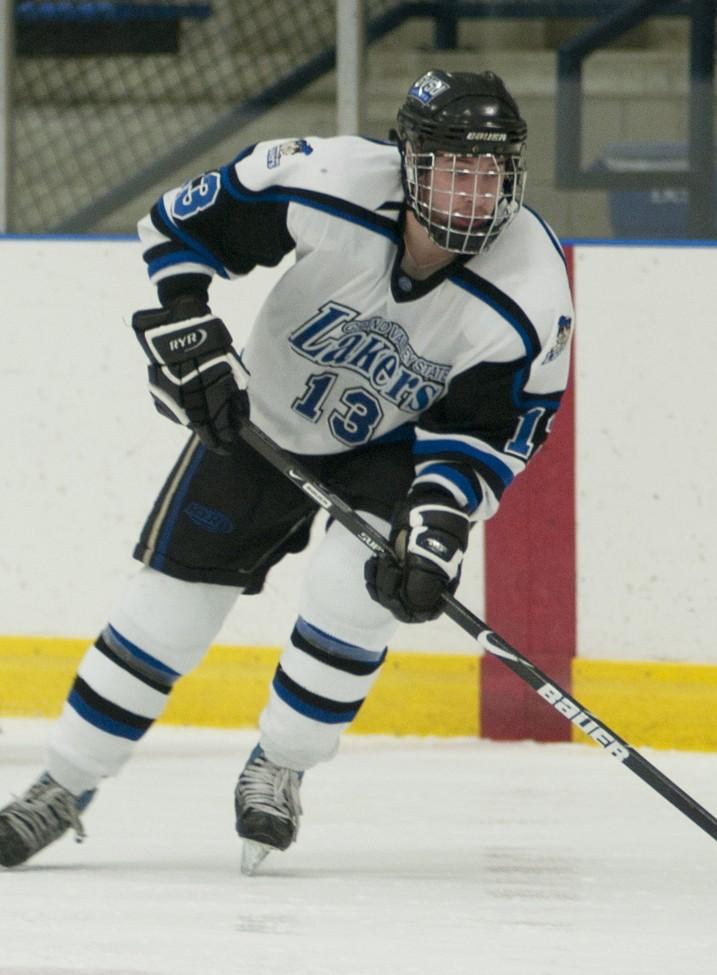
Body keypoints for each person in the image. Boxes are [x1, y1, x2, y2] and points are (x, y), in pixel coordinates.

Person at [0, 68, 573, 874]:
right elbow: (181, 227)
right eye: (454, 167)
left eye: (491, 173)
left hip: (393, 452)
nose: (474, 193)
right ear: (410, 161)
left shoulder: (532, 292)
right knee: (168, 611)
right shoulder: (327, 179)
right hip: (263, 416)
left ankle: (282, 765)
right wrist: (186, 325)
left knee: (356, 596)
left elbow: (488, 433)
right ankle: (62, 785)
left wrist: (437, 522)